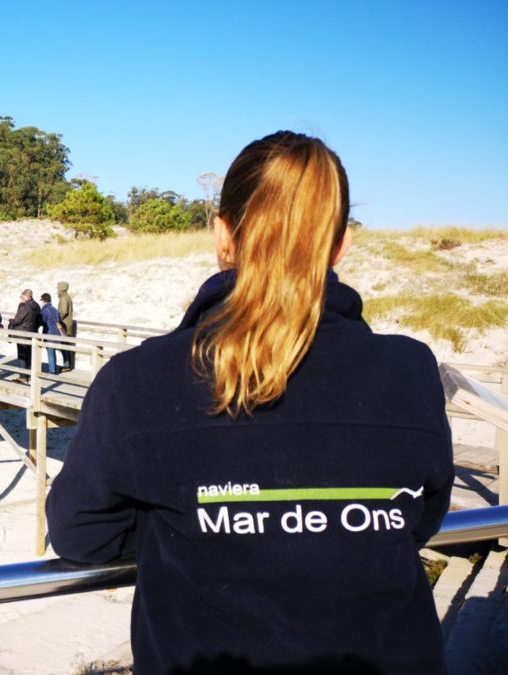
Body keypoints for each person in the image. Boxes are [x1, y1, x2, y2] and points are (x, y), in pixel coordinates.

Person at [45, 131, 453, 674]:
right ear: (340, 245)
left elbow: (80, 533)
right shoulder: (409, 371)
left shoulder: (139, 380)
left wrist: (185, 525)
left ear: (222, 234)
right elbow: (420, 515)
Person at [7, 289, 41, 383]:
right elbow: (39, 320)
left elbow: (18, 320)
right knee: (29, 355)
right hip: (32, 332)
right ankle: (30, 376)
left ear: (26, 296)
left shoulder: (24, 306)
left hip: (22, 333)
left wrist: (11, 321)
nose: (20, 298)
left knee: (22, 355)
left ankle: (23, 376)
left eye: (21, 297)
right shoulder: (36, 305)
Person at [39, 293, 63, 375]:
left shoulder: (45, 309)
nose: (41, 301)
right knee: (52, 351)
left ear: (44, 300)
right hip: (56, 332)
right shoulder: (54, 309)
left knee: (50, 352)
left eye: (41, 300)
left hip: (49, 332)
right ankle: (54, 368)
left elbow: (42, 321)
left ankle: (52, 371)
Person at [57, 281, 75, 372]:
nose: (57, 289)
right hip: (67, 324)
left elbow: (63, 312)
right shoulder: (66, 297)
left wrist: (57, 319)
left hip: (64, 325)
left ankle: (67, 365)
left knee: (64, 346)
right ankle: (68, 365)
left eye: (58, 287)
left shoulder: (64, 298)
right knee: (66, 345)